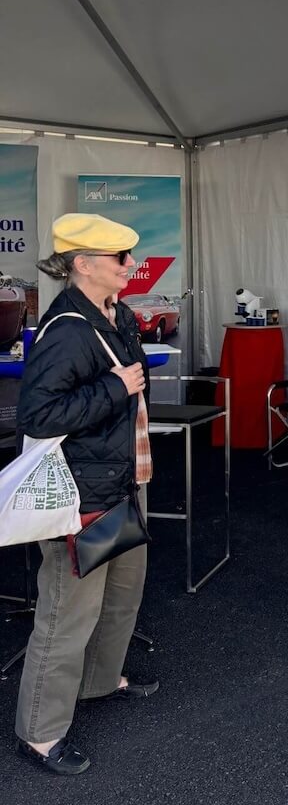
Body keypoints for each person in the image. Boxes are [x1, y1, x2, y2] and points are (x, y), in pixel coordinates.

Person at [14, 214, 158, 776]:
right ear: (83, 264)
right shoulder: (67, 329)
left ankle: (99, 683)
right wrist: (112, 387)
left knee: (122, 594)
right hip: (83, 493)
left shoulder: (114, 314)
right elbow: (39, 414)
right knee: (66, 614)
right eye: (120, 257)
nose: (130, 264)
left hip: (122, 480)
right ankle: (40, 734)